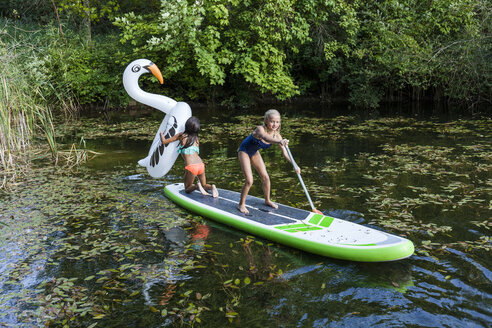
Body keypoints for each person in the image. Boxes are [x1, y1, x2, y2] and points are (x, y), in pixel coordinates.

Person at [237, 109, 300, 214]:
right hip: (244, 151)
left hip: (254, 152)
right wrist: (280, 141)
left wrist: (295, 165)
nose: (275, 124)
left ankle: (267, 200)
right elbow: (265, 137)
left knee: (266, 177)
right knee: (249, 180)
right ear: (266, 121)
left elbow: (285, 153)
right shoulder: (260, 129)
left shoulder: (277, 135)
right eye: (272, 121)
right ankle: (241, 204)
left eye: (277, 122)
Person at [160, 116, 219, 197]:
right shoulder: (197, 139)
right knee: (204, 185)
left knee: (187, 189)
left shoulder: (181, 136)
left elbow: (164, 142)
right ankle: (212, 187)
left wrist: (161, 134)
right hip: (201, 165)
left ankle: (196, 186)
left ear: (186, 126)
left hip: (191, 166)